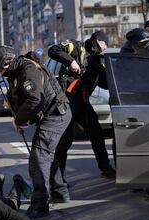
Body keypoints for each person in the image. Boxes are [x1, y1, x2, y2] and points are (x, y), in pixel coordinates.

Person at [0, 46, 72, 218]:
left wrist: (20, 120)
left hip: (56, 113)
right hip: (53, 113)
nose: (1, 75)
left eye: (1, 70)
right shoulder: (16, 73)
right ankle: (59, 191)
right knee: (46, 154)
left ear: (8, 63)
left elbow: (35, 99)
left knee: (38, 158)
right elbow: (18, 97)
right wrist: (15, 110)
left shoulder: (27, 70)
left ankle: (40, 205)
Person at [48, 31, 116, 184]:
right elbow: (53, 50)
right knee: (65, 140)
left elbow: (106, 83)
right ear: (94, 41)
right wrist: (71, 61)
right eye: (99, 46)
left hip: (82, 102)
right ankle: (58, 180)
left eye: (102, 49)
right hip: (65, 101)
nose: (99, 50)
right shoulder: (74, 46)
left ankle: (105, 168)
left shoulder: (97, 62)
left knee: (96, 133)